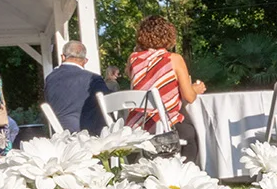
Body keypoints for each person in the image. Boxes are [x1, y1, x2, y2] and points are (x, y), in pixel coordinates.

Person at [126, 15, 204, 165]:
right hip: (163, 126)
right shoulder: (173, 59)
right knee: (190, 134)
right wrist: (195, 88)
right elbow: (189, 97)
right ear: (169, 35)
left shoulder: (133, 59)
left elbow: (140, 82)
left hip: (136, 126)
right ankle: (186, 172)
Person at [44, 41, 108, 134]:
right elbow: (109, 105)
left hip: (59, 136)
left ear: (63, 57)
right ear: (85, 61)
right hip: (88, 136)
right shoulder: (93, 79)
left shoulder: (50, 79)